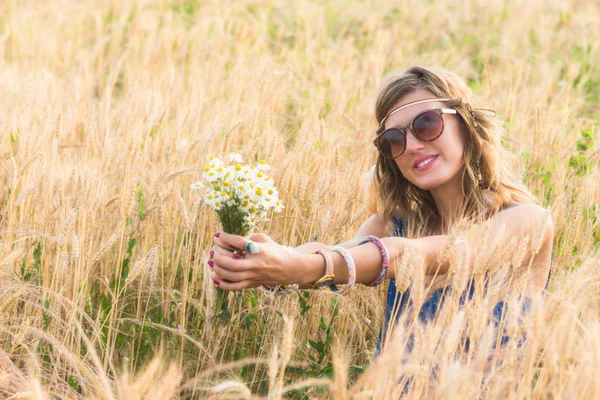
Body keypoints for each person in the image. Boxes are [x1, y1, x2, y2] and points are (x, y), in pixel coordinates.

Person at [207, 66, 554, 358]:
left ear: (465, 124)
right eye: (394, 138)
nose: (414, 145)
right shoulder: (395, 223)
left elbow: (409, 255)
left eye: (427, 124)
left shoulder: (527, 222)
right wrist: (271, 258)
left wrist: (297, 267)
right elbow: (334, 254)